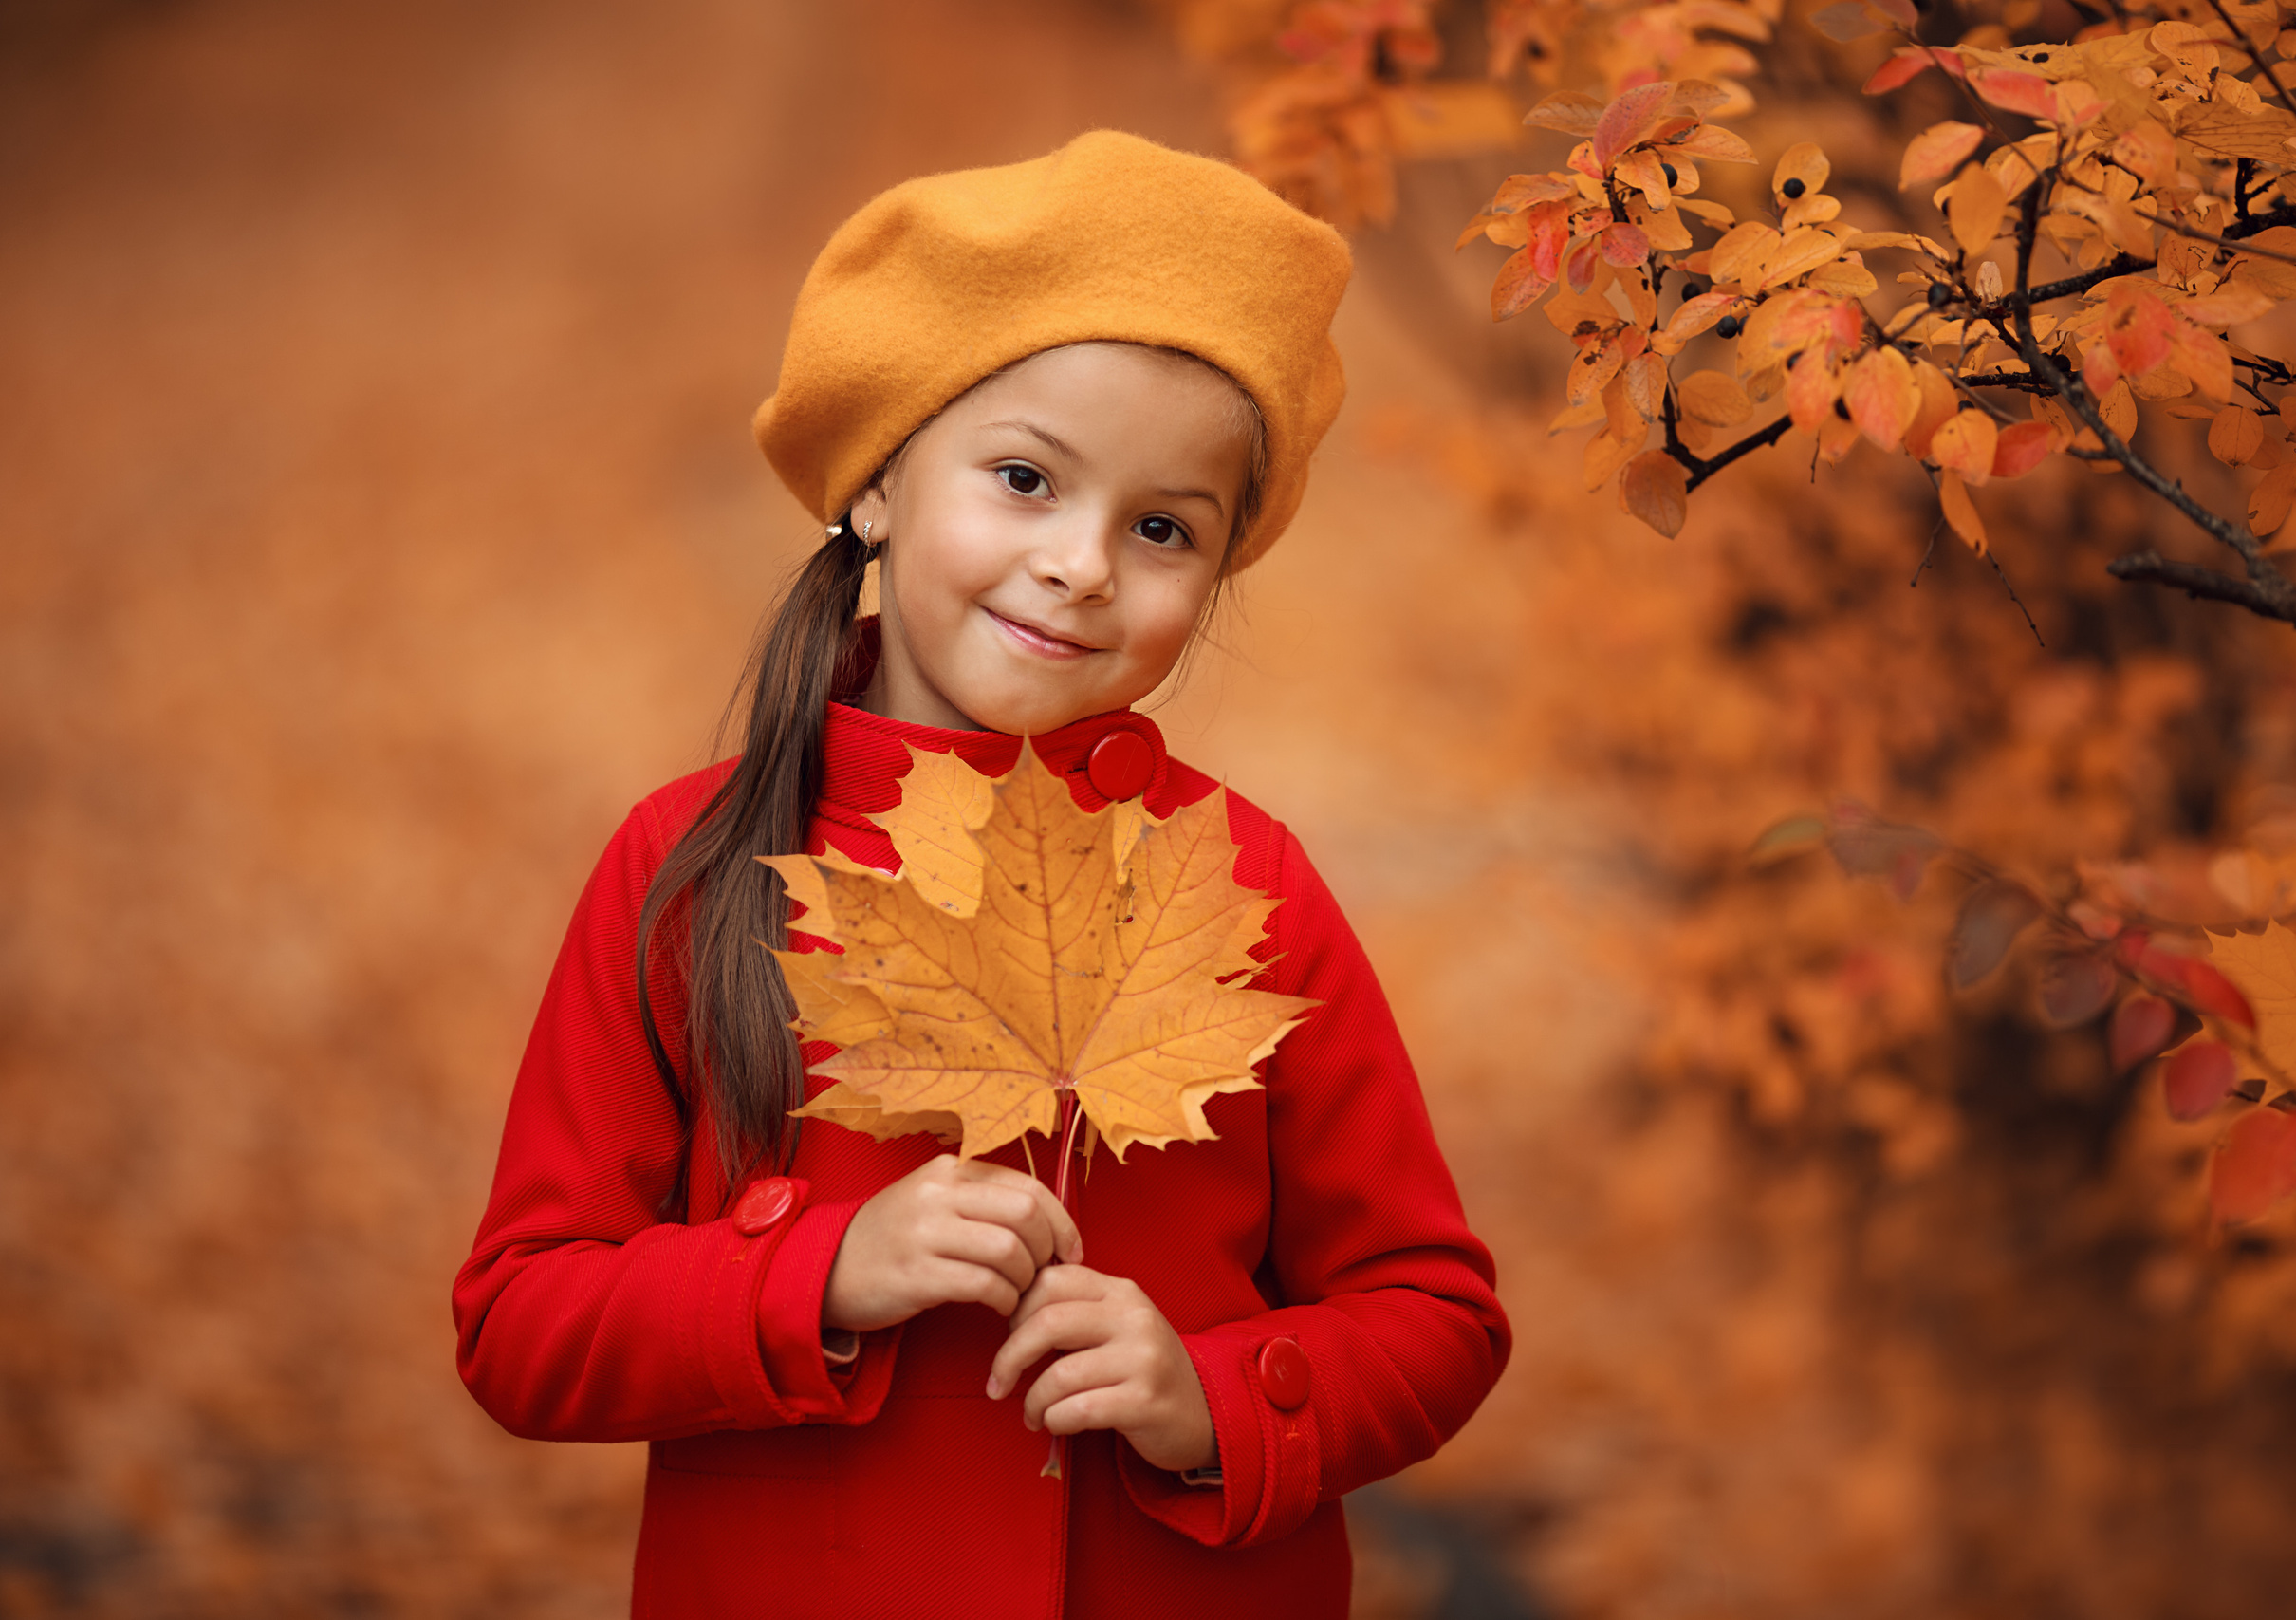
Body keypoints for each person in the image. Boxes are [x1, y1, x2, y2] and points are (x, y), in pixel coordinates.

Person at [453, 130, 1510, 1619]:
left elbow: (1435, 1311)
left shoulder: (1241, 885)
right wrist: (812, 1277)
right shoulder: (695, 871)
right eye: (1024, 478)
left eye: (1161, 528)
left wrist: (1220, 1398)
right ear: (879, 487)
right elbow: (520, 1320)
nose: (1083, 563)